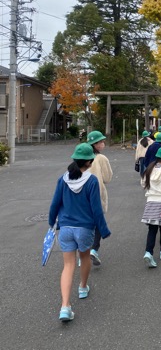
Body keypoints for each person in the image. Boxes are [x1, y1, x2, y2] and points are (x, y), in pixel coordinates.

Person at [48, 143, 111, 322]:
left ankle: (65, 306)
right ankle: (83, 287)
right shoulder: (91, 181)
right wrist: (104, 230)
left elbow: (54, 204)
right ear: (90, 162)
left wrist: (52, 222)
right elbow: (96, 209)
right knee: (84, 258)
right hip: (85, 228)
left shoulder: (63, 179)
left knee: (68, 266)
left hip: (66, 229)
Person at [141, 146, 161, 268]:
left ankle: (148, 252)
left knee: (152, 230)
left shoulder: (149, 168)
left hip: (150, 202)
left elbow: (143, 183)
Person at [86, 130, 113, 266]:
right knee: (97, 222)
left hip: (81, 194)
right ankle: (94, 249)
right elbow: (107, 178)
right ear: (95, 144)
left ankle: (82, 254)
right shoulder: (101, 158)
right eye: (101, 141)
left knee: (84, 223)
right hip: (97, 193)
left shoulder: (81, 156)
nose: (103, 143)